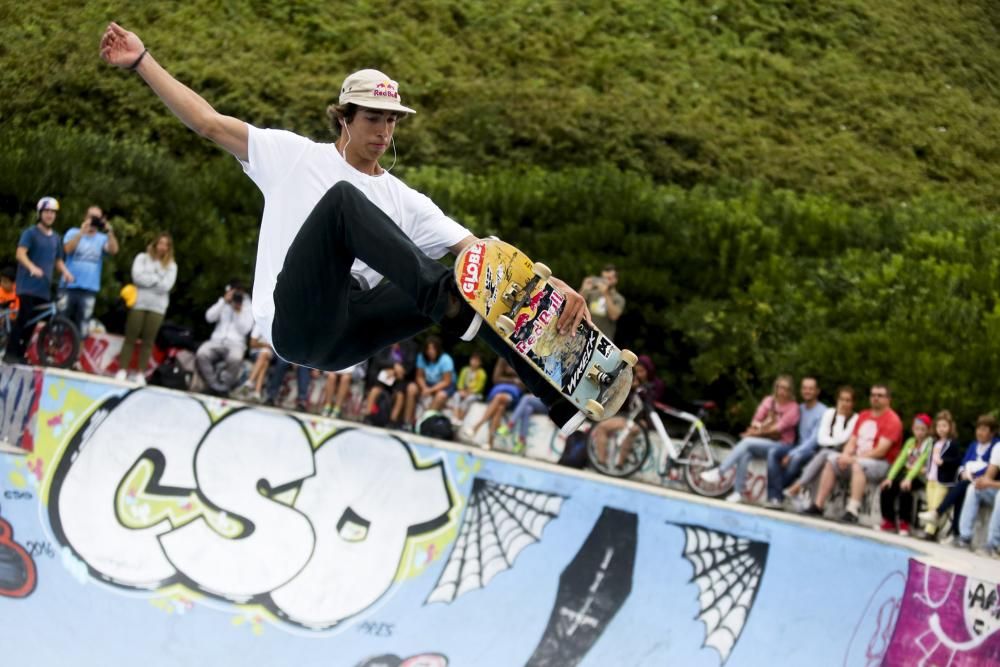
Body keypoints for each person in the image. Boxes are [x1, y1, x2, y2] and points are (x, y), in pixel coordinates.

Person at [100, 24, 591, 435]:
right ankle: (444, 302)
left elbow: (484, 256)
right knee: (342, 204)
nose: (382, 133)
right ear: (345, 119)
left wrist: (550, 289)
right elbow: (208, 122)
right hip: (295, 325)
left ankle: (558, 392)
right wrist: (142, 59)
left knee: (470, 274)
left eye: (391, 123)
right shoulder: (291, 156)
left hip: (350, 338)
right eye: (372, 120)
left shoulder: (405, 201)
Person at [801, 383, 904, 524]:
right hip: (858, 458)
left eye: (880, 396)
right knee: (832, 460)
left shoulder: (892, 420)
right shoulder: (864, 415)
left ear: (888, 399)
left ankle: (852, 510)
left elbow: (881, 451)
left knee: (858, 465)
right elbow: (852, 441)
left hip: (881, 464)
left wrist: (853, 458)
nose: (875, 398)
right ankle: (818, 505)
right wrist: (845, 455)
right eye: (873, 395)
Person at [701, 375, 800, 503]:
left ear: (791, 391)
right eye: (779, 387)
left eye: (786, 389)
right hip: (763, 441)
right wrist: (760, 426)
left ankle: (720, 472)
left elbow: (777, 429)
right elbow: (755, 420)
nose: (782, 391)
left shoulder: (793, 408)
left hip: (783, 445)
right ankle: (738, 492)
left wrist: (756, 432)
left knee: (747, 442)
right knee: (745, 453)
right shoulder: (769, 401)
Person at [5, 197, 74, 364]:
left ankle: (20, 354)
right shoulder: (30, 233)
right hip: (27, 285)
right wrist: (31, 267)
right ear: (40, 213)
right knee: (24, 318)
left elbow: (58, 260)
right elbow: (20, 253)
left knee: (33, 322)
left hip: (43, 288)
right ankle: (10, 353)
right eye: (47, 212)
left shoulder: (56, 238)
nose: (50, 215)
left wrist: (66, 272)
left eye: (52, 212)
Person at [919, 414, 997, 543]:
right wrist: (963, 472)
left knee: (962, 486)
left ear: (992, 432)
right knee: (961, 492)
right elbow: (963, 462)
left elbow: (991, 467)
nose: (979, 432)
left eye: (984, 429)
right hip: (968, 479)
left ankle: (938, 513)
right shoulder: (973, 445)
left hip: (983, 482)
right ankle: (956, 533)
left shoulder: (996, 446)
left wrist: (972, 474)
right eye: (978, 429)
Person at [115, 232, 177, 383]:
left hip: (158, 307)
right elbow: (137, 277)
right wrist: (156, 279)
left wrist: (149, 280)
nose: (162, 247)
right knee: (131, 336)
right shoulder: (142, 258)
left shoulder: (172, 265)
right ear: (155, 244)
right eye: (160, 243)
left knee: (148, 341)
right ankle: (122, 369)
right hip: (139, 302)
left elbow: (166, 286)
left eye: (166, 245)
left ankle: (140, 373)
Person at [784, 386, 859, 508]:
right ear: (837, 400)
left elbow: (843, 439)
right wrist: (832, 441)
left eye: (848, 400)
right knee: (823, 456)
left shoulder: (855, 418)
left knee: (824, 455)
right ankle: (808, 499)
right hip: (825, 451)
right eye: (841, 400)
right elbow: (821, 438)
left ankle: (797, 487)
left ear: (853, 403)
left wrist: (840, 418)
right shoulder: (829, 413)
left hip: (841, 453)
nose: (844, 403)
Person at [590, 355, 665, 469]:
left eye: (642, 371)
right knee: (602, 427)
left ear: (648, 370)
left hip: (644, 421)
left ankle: (620, 465)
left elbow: (652, 404)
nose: (639, 374)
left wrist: (641, 389)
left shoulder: (657, 384)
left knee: (631, 431)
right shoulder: (633, 380)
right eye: (637, 371)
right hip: (629, 418)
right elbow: (621, 403)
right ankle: (601, 462)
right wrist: (629, 388)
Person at [765, 377, 827, 507]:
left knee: (796, 459)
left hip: (812, 451)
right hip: (795, 446)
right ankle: (776, 497)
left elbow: (814, 441)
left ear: (817, 391)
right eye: (804, 388)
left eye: (811, 388)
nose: (807, 391)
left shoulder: (823, 411)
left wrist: (791, 454)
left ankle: (776, 496)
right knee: (773, 452)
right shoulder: (799, 408)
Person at [60, 205, 119, 337]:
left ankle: (77, 356)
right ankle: (51, 353)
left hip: (89, 288)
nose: (93, 220)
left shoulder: (102, 238)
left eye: (96, 218)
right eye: (90, 216)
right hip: (68, 286)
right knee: (60, 321)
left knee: (83, 326)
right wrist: (82, 232)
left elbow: (114, 250)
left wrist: (109, 231)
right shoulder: (73, 232)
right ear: (85, 217)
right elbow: (67, 250)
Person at [195, 281, 254, 395]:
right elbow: (209, 317)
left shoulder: (247, 306)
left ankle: (224, 386)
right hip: (216, 341)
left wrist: (238, 311)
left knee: (235, 358)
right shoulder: (224, 302)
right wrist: (223, 302)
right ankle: (213, 385)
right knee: (201, 353)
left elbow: (245, 330)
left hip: (236, 343)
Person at [878, 413, 933, 535]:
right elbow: (900, 460)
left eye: (923, 430)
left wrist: (908, 479)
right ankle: (889, 521)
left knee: (905, 490)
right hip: (907, 474)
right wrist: (889, 478)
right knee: (887, 488)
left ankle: (904, 523)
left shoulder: (929, 444)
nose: (919, 432)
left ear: (928, 431)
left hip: (920, 476)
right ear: (913, 429)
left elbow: (920, 462)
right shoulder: (910, 442)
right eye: (917, 429)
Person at [916, 411, 963, 540]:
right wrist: (927, 468)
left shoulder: (952, 444)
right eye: (939, 426)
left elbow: (957, 461)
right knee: (930, 504)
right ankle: (931, 529)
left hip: (943, 480)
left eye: (944, 426)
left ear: (950, 427)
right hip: (931, 478)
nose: (941, 429)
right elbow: (930, 458)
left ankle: (930, 532)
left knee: (936, 505)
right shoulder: (934, 443)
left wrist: (944, 462)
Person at [461, 358, 524, 449]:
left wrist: (506, 380)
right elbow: (496, 379)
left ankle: (476, 427)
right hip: (500, 393)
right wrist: (513, 380)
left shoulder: (523, 360)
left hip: (513, 397)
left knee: (499, 398)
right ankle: (489, 443)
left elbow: (522, 384)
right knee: (500, 408)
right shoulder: (503, 359)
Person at [955, 438, 1000, 556]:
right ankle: (965, 538)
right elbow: (989, 476)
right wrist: (982, 481)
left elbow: (990, 482)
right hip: (996, 489)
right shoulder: (998, 448)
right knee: (973, 488)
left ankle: (993, 545)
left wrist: (989, 483)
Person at [403, 336, 455, 427]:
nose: (430, 351)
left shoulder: (446, 359)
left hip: (443, 384)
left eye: (433, 349)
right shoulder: (421, 357)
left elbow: (446, 381)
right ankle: (407, 422)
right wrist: (424, 387)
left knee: (440, 396)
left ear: (438, 349)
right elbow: (419, 376)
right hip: (427, 383)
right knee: (411, 388)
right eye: (428, 349)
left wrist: (430, 390)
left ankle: (423, 424)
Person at [364, 340, 417, 427]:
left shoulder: (408, 346)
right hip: (383, 377)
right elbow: (378, 361)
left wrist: (396, 372)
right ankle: (367, 416)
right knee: (374, 391)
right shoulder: (384, 344)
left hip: (399, 380)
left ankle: (392, 420)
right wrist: (393, 366)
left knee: (400, 396)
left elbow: (408, 367)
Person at [579, 265, 625, 339]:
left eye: (609, 278)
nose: (605, 281)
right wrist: (584, 289)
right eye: (603, 278)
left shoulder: (619, 298)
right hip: (585, 335)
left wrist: (605, 293)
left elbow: (614, 316)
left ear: (616, 280)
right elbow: (578, 305)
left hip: (603, 340)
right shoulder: (592, 293)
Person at [450, 351, 488, 422]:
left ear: (480, 363)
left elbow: (479, 388)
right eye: (473, 359)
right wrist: (461, 390)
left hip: (475, 394)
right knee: (456, 395)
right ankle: (455, 416)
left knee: (468, 399)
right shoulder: (465, 370)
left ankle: (460, 418)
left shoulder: (482, 373)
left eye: (477, 361)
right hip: (463, 391)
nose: (474, 362)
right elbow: (460, 382)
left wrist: (468, 392)